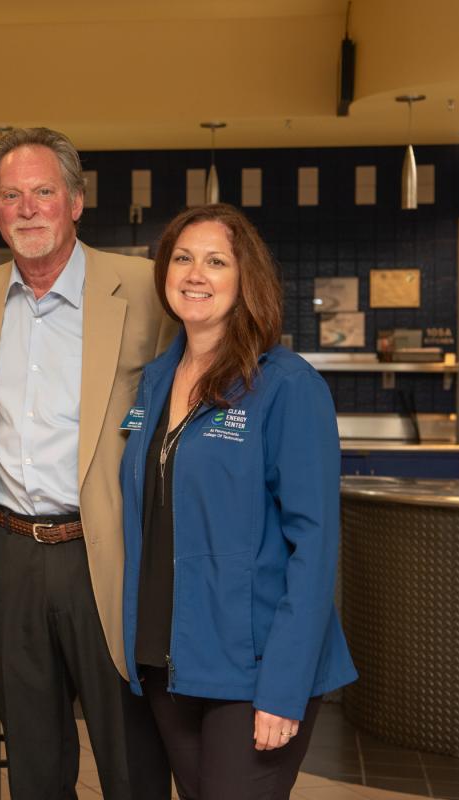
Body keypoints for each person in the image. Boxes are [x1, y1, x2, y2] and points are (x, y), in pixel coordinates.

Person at [0, 127, 176, 800]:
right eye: (10, 196)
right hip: (8, 556)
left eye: (43, 192)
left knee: (129, 758)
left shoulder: (144, 289)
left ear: (76, 201)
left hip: (106, 555)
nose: (27, 209)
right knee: (35, 765)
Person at [119, 204, 358, 799]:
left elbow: (316, 545)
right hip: (168, 662)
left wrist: (283, 685)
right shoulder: (153, 381)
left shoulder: (285, 386)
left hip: (253, 669)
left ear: (244, 278)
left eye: (215, 261)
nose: (195, 274)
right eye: (182, 258)